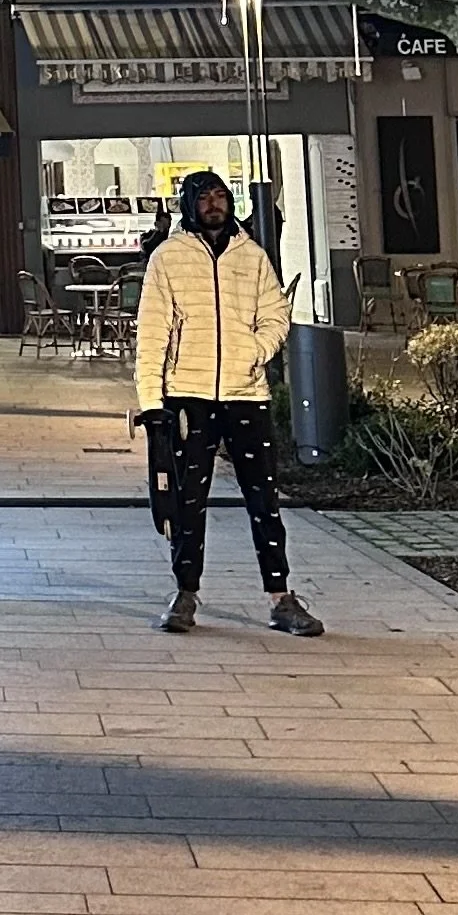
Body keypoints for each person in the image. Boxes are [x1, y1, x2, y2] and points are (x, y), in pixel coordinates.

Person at [135, 168, 323, 637]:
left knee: (264, 497)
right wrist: (151, 401)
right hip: (189, 395)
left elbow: (276, 313)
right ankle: (185, 591)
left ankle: (281, 597)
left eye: (220, 196)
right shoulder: (169, 258)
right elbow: (153, 332)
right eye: (204, 198)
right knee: (186, 501)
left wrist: (254, 352)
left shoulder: (251, 256)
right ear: (189, 205)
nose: (214, 205)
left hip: (245, 394)